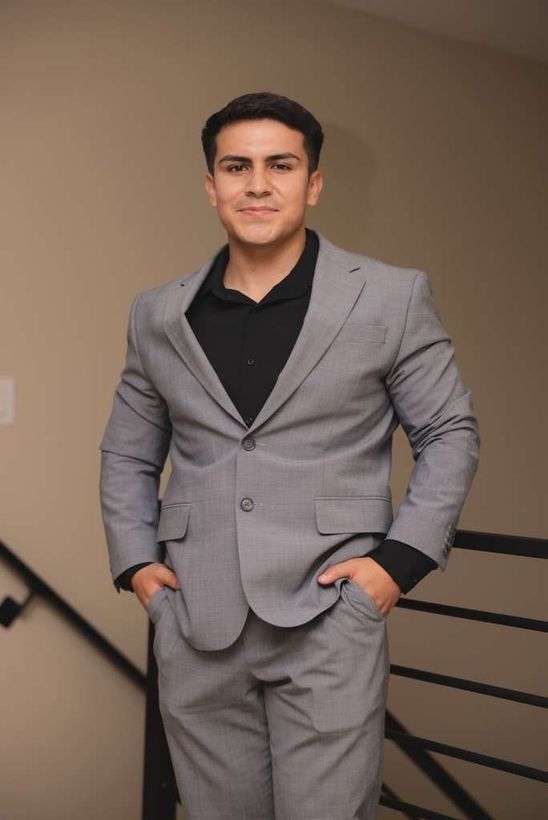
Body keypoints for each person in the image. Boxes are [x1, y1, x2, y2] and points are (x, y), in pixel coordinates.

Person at [99, 91, 480, 820]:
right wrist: (138, 567)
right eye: (236, 166)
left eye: (281, 164)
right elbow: (127, 451)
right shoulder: (159, 313)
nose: (257, 184)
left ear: (313, 183)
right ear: (211, 185)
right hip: (195, 617)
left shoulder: (390, 298)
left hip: (329, 614)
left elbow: (449, 433)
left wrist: (394, 568)